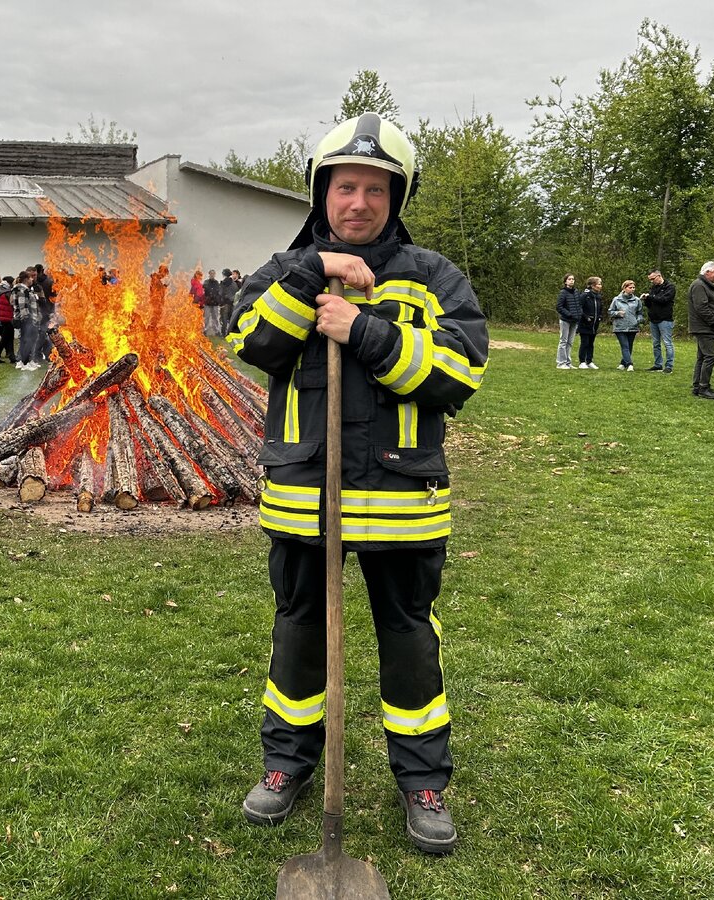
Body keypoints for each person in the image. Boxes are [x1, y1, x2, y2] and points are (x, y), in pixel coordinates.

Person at [227, 114, 488, 855]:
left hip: (404, 506)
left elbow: (456, 374)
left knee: (410, 645)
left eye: (376, 189)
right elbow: (254, 341)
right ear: (322, 192)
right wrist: (315, 276)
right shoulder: (284, 270)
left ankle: (424, 784)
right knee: (298, 636)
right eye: (346, 187)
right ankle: (286, 766)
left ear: (395, 198)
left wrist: (364, 331)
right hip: (304, 499)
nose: (360, 203)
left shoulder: (435, 279)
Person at [688, 261, 714, 399]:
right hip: (704, 327)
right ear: (707, 272)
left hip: (705, 327)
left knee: (702, 357)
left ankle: (698, 386)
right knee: (711, 356)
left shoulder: (705, 285)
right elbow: (701, 307)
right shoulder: (699, 285)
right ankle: (703, 387)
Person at [641, 269, 676, 372]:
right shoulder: (653, 288)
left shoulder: (669, 287)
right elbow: (650, 303)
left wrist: (650, 297)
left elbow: (663, 300)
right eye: (650, 280)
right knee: (656, 343)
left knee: (667, 343)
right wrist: (646, 299)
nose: (652, 281)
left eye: (653, 279)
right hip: (653, 319)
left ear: (659, 276)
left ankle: (669, 365)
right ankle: (658, 364)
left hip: (665, 319)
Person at [608, 280, 644, 371]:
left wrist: (638, 320)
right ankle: (629, 364)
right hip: (620, 327)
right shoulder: (616, 299)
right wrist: (617, 313)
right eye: (630, 287)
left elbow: (640, 313)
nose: (632, 289)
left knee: (629, 345)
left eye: (633, 288)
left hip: (633, 326)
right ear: (624, 288)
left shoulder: (637, 300)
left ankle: (623, 363)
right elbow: (610, 312)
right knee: (625, 345)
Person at [576, 276, 603, 369]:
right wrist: (586, 317)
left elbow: (600, 309)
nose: (600, 286)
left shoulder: (598, 297)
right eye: (599, 284)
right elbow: (579, 308)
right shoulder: (585, 295)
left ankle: (589, 360)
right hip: (585, 324)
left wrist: (599, 317)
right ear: (592, 285)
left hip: (594, 324)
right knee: (585, 342)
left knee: (591, 343)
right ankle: (582, 361)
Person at [555, 274, 581, 369]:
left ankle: (568, 362)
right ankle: (561, 363)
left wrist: (579, 314)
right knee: (563, 341)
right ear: (565, 281)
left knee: (570, 342)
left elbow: (579, 305)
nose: (571, 281)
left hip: (574, 320)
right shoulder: (563, 293)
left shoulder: (576, 292)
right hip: (565, 320)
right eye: (569, 279)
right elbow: (559, 307)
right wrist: (569, 314)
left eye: (573, 279)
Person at [0, 275, 16, 364]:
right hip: (8, 318)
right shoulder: (8, 293)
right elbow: (12, 304)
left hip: (3, 318)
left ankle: (11, 356)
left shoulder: (1, 292)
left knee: (7, 338)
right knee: (6, 339)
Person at [203, 269, 223, 335]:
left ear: (215, 274)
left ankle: (217, 331)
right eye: (211, 273)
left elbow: (219, 293)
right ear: (209, 274)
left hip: (215, 303)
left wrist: (219, 301)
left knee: (216, 318)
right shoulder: (206, 282)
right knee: (207, 317)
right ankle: (205, 330)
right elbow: (203, 292)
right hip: (207, 303)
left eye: (213, 274)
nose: (212, 275)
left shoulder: (217, 283)